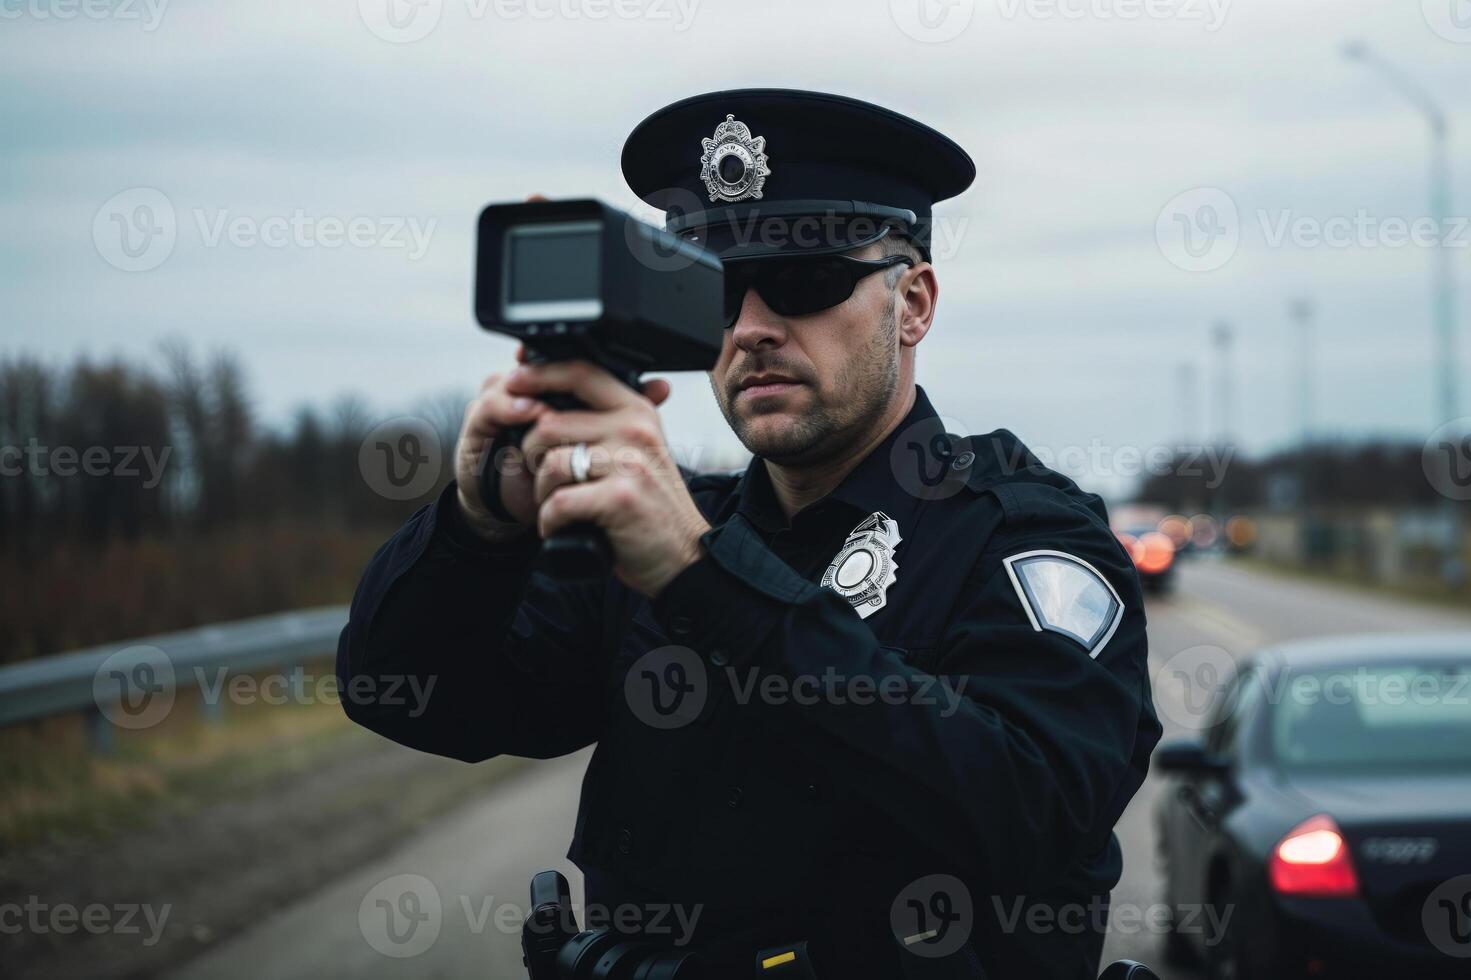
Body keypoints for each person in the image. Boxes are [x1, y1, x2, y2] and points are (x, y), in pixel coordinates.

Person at [338, 88, 1161, 979]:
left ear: (913, 303)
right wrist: (478, 525)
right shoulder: (666, 529)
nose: (755, 329)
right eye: (719, 292)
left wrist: (704, 580)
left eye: (807, 282)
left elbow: (1033, 812)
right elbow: (413, 696)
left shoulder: (1015, 535)